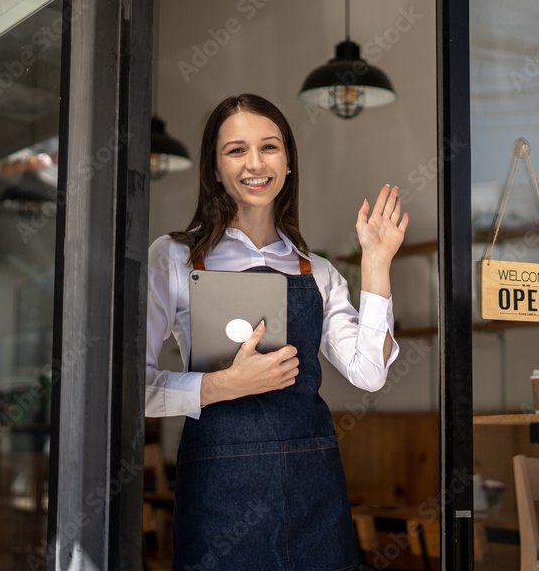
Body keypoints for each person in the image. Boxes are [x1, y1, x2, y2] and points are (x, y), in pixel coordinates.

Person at [145, 93, 408, 571]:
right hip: (220, 492)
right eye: (236, 150)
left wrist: (376, 263)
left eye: (269, 147)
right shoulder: (175, 258)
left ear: (288, 162)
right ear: (215, 166)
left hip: (314, 488)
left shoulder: (319, 272)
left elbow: (368, 373)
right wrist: (221, 385)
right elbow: (132, 389)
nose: (255, 163)